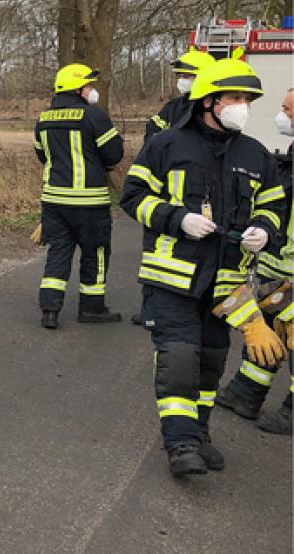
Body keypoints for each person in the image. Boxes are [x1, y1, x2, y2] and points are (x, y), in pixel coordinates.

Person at [121, 56, 287, 476]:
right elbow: (133, 196)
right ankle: (180, 444)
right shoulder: (166, 145)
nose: (243, 106)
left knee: (212, 363)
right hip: (172, 278)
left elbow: (274, 206)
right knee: (178, 358)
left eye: (247, 99)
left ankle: (200, 433)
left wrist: (264, 230)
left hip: (226, 284)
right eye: (234, 98)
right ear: (209, 101)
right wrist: (177, 219)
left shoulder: (256, 154)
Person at [216, 87, 294, 435]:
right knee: (268, 329)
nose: (283, 115)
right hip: (277, 266)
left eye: (289, 110)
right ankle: (245, 393)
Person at [130, 48, 218, 326]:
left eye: (188, 75)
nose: (182, 80)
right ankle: (152, 311)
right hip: (165, 195)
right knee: (156, 253)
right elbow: (152, 135)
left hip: (199, 198)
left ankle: (203, 310)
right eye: (181, 75)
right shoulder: (173, 108)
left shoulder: (215, 111)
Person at [33, 63, 124, 329]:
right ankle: (92, 308)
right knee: (95, 252)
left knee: (59, 251)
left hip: (53, 200)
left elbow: (42, 155)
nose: (92, 90)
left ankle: (50, 310)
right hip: (89, 202)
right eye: (88, 85)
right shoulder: (94, 115)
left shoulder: (43, 118)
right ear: (77, 89)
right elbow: (114, 155)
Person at [143, 48, 217, 144]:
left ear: (204, 77)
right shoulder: (173, 106)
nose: (181, 80)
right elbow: (152, 130)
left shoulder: (215, 107)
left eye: (186, 76)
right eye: (181, 76)